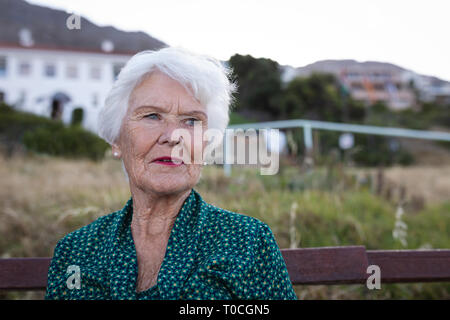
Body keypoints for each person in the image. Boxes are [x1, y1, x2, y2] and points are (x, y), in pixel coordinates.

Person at [45, 47, 297, 300]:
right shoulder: (75, 252)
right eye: (152, 116)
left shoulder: (248, 242)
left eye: (191, 121)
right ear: (117, 140)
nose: (173, 136)